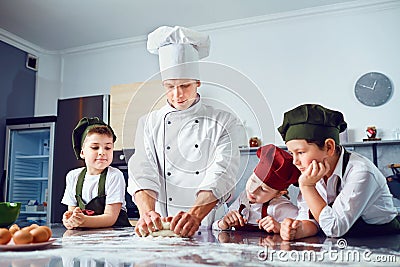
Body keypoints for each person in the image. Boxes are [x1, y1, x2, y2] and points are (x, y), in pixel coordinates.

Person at [127, 26, 243, 237]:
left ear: (198, 82)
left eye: (185, 85)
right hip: (161, 229)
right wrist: (147, 213)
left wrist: (195, 216)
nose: (177, 94)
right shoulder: (149, 123)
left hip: (211, 229)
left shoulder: (223, 121)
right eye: (169, 86)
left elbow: (222, 173)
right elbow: (142, 170)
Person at [277, 104, 400, 240]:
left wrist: (307, 187)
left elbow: (334, 228)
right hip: (344, 244)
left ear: (329, 147)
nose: (295, 161)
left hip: (381, 242)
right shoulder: (311, 172)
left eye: (300, 152)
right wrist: (298, 228)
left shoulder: (361, 172)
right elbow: (312, 217)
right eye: (291, 153)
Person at [61, 117, 131, 229]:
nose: (102, 152)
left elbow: (110, 218)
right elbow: (73, 212)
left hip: (115, 237)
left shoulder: (114, 176)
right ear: (82, 153)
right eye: (95, 147)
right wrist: (70, 220)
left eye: (108, 148)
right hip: (84, 238)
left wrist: (83, 221)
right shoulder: (73, 176)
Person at [212, 144, 299, 233]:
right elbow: (215, 226)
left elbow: (303, 227)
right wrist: (223, 223)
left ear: (279, 194)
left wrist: (281, 228)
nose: (253, 190)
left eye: (263, 189)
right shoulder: (243, 198)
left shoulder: (280, 207)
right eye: (253, 181)